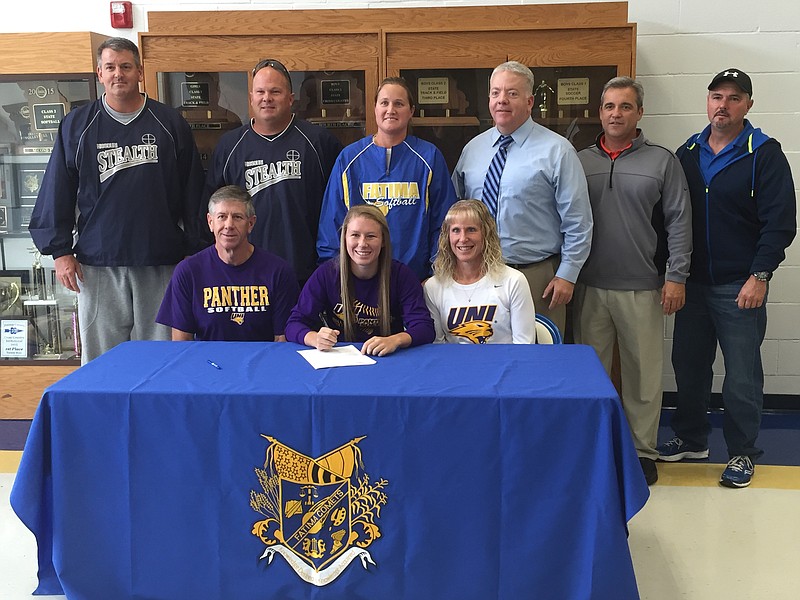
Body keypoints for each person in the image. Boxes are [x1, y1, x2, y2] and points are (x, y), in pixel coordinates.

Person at [657, 69, 796, 488]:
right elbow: (671, 221)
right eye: (716, 96)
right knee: (689, 367)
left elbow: (780, 223)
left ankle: (742, 453)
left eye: (734, 98)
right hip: (692, 285)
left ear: (748, 104)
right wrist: (672, 274)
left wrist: (761, 274)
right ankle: (692, 438)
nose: (723, 105)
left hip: (741, 286)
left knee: (741, 376)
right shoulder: (687, 152)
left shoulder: (764, 153)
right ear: (707, 101)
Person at [28, 37, 205, 364]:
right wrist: (60, 251)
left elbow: (193, 191)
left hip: (161, 260)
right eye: (110, 67)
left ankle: (156, 414)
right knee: (101, 361)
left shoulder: (169, 123)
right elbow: (57, 190)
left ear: (140, 71)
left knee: (162, 357)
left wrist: (193, 251)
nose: (118, 74)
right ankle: (103, 416)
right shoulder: (77, 125)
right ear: (99, 73)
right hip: (97, 264)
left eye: (125, 66)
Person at [574, 77, 692, 486]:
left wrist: (676, 276)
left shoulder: (662, 161)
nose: (616, 114)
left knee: (643, 376)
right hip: (587, 286)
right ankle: (596, 448)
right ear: (600, 112)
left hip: (644, 287)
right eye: (609, 106)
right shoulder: (580, 160)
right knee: (591, 375)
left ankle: (642, 451)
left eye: (625, 106)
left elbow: (679, 221)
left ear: (640, 112)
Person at [452, 61, 592, 334]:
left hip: (536, 277)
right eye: (495, 93)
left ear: (530, 102)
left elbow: (578, 220)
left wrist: (567, 274)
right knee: (482, 353)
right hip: (478, 273)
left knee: (540, 362)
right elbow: (456, 211)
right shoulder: (473, 150)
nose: (502, 100)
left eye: (512, 93)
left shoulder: (557, 151)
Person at [205, 58, 342, 284]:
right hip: (244, 273)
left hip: (305, 274)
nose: (266, 98)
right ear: (251, 98)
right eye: (260, 92)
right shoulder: (229, 146)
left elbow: (339, 207)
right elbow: (212, 210)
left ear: (290, 99)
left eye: (275, 91)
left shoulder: (319, 142)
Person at [317, 77, 457, 280]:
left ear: (411, 111)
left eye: (399, 104)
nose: (391, 110)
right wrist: (337, 277)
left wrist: (435, 275)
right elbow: (332, 225)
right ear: (374, 108)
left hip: (416, 281)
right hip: (360, 282)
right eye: (384, 103)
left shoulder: (429, 157)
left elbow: (444, 223)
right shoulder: (349, 159)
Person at [286, 204, 434, 356]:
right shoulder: (326, 274)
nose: (362, 243)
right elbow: (294, 324)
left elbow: (424, 327)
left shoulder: (402, 276)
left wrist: (395, 340)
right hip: (341, 359)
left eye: (371, 236)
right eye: (355, 235)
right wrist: (315, 338)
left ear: (383, 240)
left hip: (388, 358)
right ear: (344, 238)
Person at [156, 185, 299, 341]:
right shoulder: (187, 271)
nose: (229, 225)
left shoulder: (279, 272)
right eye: (221, 217)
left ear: (251, 223)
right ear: (210, 222)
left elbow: (282, 341)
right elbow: (181, 342)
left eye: (237, 217)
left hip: (262, 363)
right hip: (207, 363)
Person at [424, 199, 535, 344]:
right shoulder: (433, 286)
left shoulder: (514, 281)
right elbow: (438, 346)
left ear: (486, 234)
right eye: (456, 230)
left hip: (506, 365)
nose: (463, 239)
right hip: (456, 366)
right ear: (447, 236)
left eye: (471, 229)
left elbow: (524, 346)